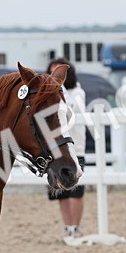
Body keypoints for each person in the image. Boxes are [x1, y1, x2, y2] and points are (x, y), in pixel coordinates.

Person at [46, 58, 86, 240]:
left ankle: (75, 227)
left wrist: (58, 86)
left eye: (59, 73)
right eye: (52, 72)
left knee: (76, 191)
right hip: (55, 148)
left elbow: (70, 109)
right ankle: (67, 227)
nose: (55, 76)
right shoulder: (49, 95)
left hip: (76, 147)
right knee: (60, 190)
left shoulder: (77, 92)